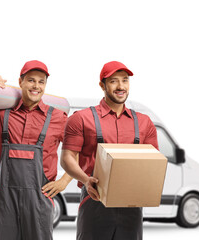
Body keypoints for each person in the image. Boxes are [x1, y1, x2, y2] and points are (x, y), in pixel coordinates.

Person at [0, 60, 72, 240]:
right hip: (6, 200)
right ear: (21, 82)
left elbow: (81, 149)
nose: (36, 86)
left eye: (41, 82)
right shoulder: (3, 114)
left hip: (40, 200)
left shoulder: (58, 118)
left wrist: (64, 181)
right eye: (31, 80)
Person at [61, 61, 159, 240]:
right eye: (114, 81)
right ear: (102, 85)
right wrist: (85, 180)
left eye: (125, 80)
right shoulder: (81, 119)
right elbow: (67, 158)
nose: (121, 86)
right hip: (94, 200)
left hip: (131, 206)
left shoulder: (145, 123)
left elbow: (153, 164)